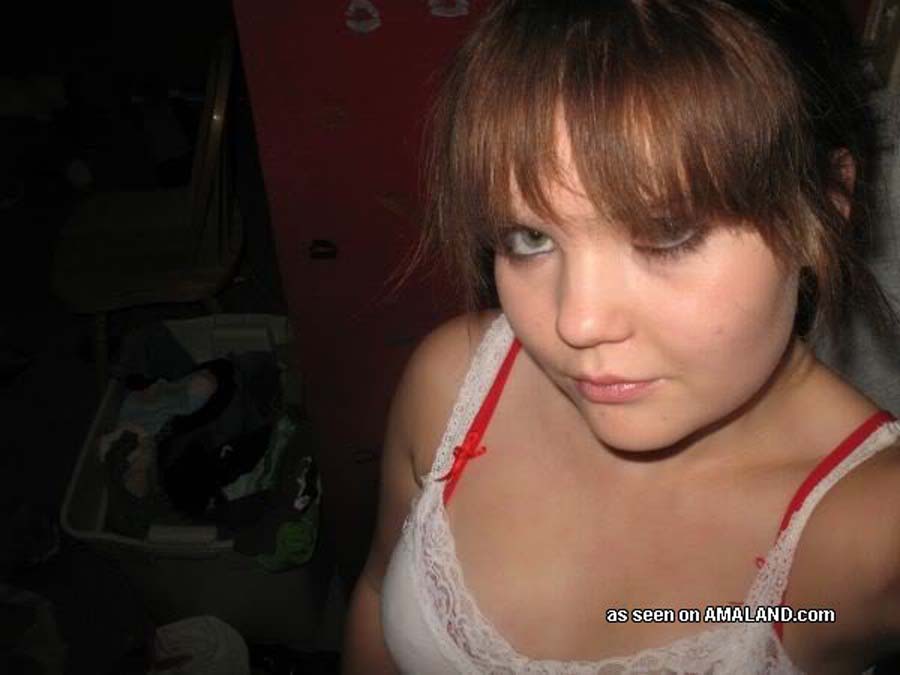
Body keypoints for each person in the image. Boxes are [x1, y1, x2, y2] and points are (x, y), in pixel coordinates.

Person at [342, 1, 900, 672]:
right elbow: (377, 592)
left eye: (667, 233)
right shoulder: (452, 380)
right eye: (530, 237)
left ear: (828, 206)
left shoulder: (873, 530)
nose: (576, 322)